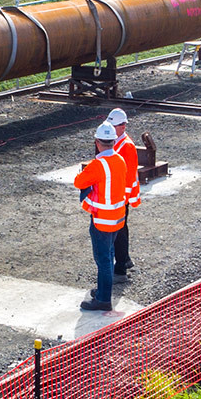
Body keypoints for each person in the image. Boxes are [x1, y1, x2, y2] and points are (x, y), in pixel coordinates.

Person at [71, 122, 129, 312]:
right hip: (118, 218)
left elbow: (79, 182)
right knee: (109, 255)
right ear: (113, 141)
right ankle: (103, 290)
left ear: (97, 141)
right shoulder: (120, 160)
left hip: (102, 220)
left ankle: (103, 299)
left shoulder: (98, 165)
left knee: (103, 259)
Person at [106, 108, 140, 283]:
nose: (111, 129)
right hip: (117, 196)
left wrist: (123, 199)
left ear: (123, 126)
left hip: (120, 197)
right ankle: (124, 260)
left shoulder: (126, 146)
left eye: (114, 126)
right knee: (120, 229)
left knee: (118, 231)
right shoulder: (117, 141)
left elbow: (128, 176)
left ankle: (120, 269)